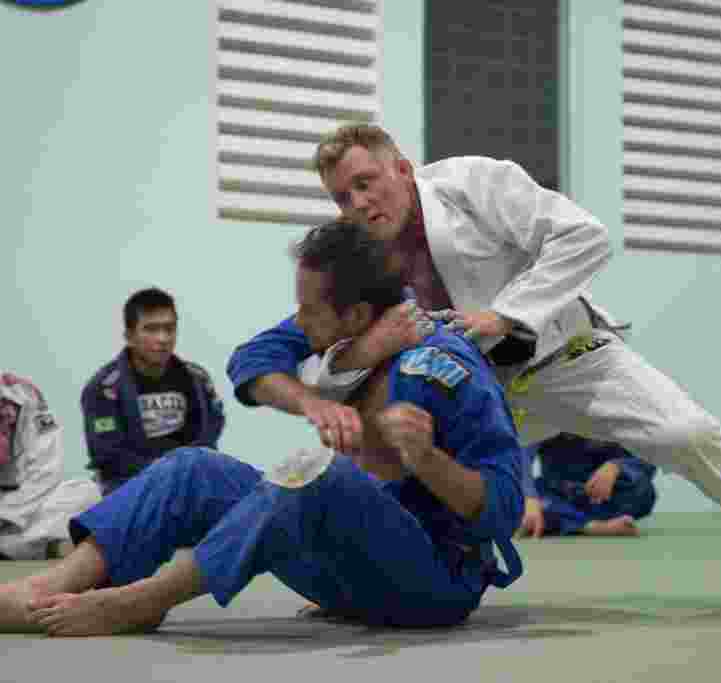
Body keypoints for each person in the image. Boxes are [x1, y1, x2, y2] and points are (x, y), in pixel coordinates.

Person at [226, 123, 721, 594]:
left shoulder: (471, 184)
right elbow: (315, 356)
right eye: (341, 196)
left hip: (567, 356)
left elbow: (585, 235)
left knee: (684, 431)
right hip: (482, 395)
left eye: (367, 182)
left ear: (403, 169)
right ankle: (361, 586)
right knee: (383, 456)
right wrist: (363, 352)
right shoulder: (356, 258)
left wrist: (509, 313)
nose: (357, 202)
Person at [0, 222, 524, 636]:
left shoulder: (444, 368)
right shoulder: (341, 329)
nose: (298, 320)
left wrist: (429, 460)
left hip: (431, 586)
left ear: (357, 312)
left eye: (309, 310)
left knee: (316, 477)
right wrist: (312, 402)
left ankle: (139, 601)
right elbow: (252, 361)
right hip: (350, 575)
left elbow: (505, 508)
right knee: (192, 467)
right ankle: (52, 585)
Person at [82, 288, 225, 495]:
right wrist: (164, 475)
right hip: (128, 488)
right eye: (151, 329)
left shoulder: (198, 379)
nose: (163, 338)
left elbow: (210, 431)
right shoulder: (104, 389)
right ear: (129, 336)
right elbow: (108, 454)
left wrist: (187, 473)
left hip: (192, 482)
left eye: (169, 329)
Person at [1, 373, 101, 561]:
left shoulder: (23, 393)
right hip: (14, 515)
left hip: (18, 507)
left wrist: (8, 516)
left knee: (85, 490)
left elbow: (46, 469)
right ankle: (39, 548)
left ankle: (16, 547)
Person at [517, 433, 657, 537]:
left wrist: (617, 466)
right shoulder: (545, 411)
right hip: (556, 495)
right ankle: (592, 527)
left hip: (602, 498)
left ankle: (566, 522)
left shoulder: (618, 408)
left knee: (643, 491)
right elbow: (521, 457)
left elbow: (649, 457)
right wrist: (529, 497)